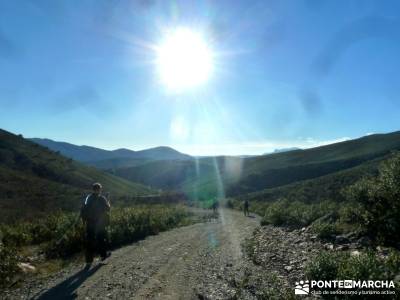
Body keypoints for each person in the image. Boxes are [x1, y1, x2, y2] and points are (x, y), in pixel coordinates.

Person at [81, 183, 111, 264]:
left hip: (89, 222)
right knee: (101, 239)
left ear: (93, 189)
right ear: (100, 189)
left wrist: (84, 222)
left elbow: (83, 210)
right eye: (100, 189)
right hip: (99, 223)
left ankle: (89, 259)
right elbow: (108, 209)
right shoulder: (102, 198)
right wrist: (108, 200)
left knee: (90, 240)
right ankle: (103, 256)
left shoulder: (88, 198)